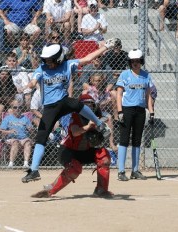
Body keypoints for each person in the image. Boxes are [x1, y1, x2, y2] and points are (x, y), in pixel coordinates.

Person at [21, 39, 117, 183]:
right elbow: (34, 81)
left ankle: (100, 124)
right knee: (41, 137)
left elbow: (88, 58)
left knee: (76, 104)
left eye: (50, 60)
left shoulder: (67, 65)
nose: (48, 63)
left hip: (64, 101)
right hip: (50, 108)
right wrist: (29, 85)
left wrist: (106, 47)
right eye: (46, 60)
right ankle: (34, 170)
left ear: (59, 58)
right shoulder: (42, 69)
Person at [31, 94, 113, 198]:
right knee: (74, 169)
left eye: (90, 104)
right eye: (85, 105)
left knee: (104, 156)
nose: (88, 108)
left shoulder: (97, 117)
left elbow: (106, 131)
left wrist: (102, 128)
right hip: (68, 151)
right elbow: (75, 132)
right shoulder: (75, 115)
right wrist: (88, 126)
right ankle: (50, 190)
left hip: (85, 150)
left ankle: (101, 190)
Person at [116, 49, 154, 181]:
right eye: (133, 61)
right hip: (127, 109)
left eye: (137, 61)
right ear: (129, 62)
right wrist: (120, 111)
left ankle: (135, 170)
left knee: (137, 140)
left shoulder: (146, 75)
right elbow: (119, 94)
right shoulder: (125, 74)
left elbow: (148, 95)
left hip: (140, 110)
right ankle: (121, 171)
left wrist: (151, 112)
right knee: (124, 140)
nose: (135, 64)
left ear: (141, 61)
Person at [0, 100, 34, 168]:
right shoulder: (7, 118)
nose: (17, 109)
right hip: (11, 139)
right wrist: (9, 132)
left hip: (23, 139)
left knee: (28, 142)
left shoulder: (25, 118)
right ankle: (11, 164)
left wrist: (31, 130)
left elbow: (32, 132)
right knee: (15, 142)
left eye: (19, 107)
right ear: (12, 109)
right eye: (15, 107)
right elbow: (0, 131)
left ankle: (26, 164)